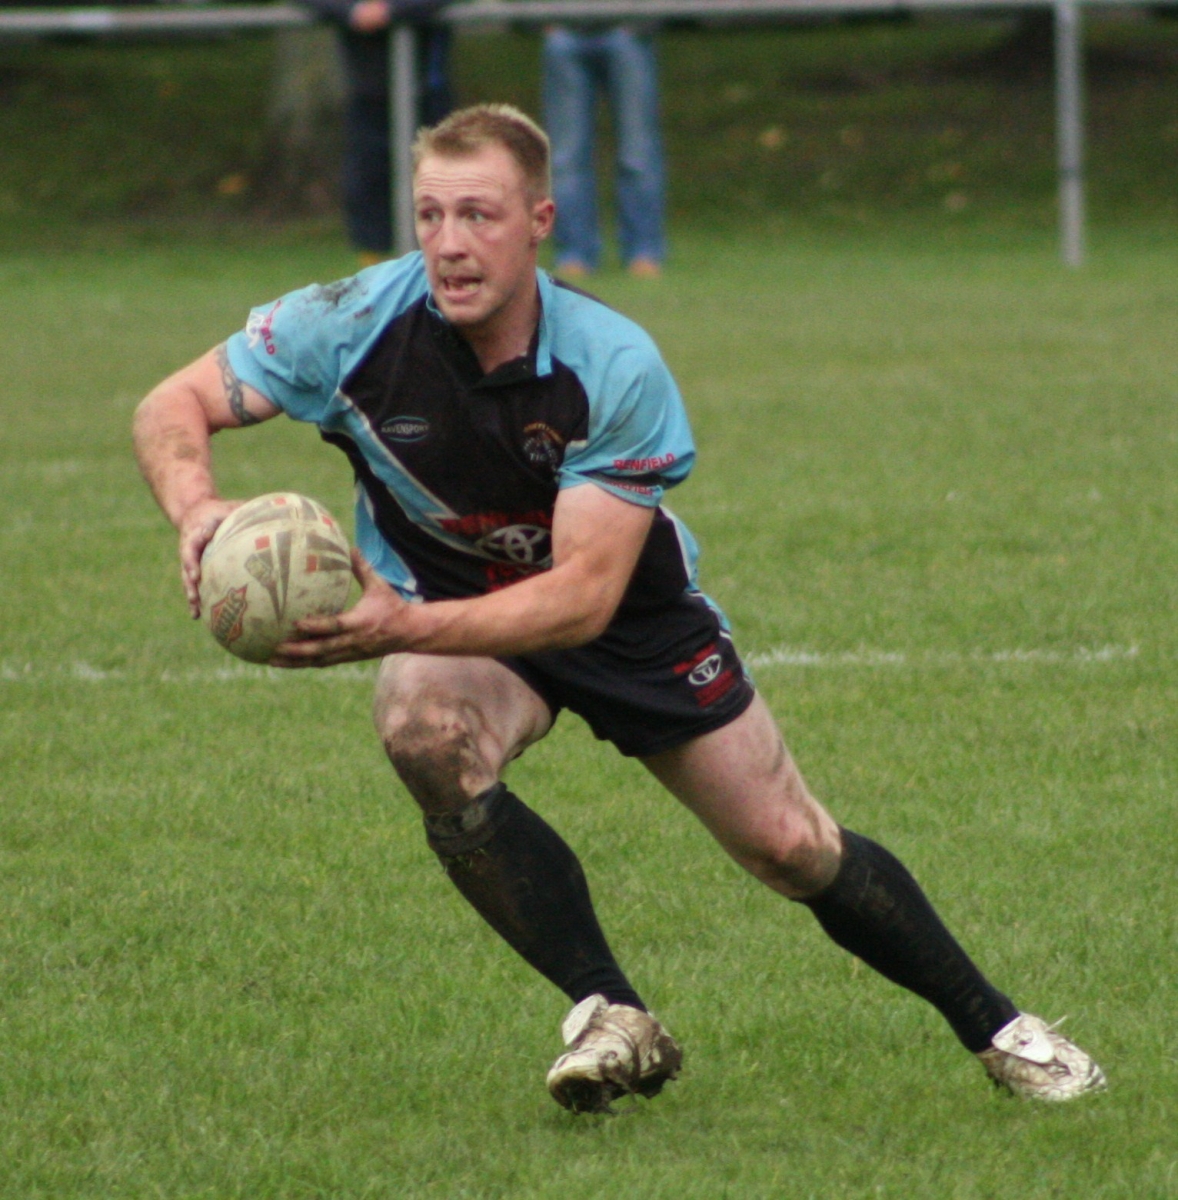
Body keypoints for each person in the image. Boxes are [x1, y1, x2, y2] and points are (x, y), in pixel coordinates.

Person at [134, 103, 1106, 1114]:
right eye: (429, 215)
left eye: (478, 215)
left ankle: (1001, 1028)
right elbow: (173, 403)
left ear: (538, 221)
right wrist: (196, 506)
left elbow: (581, 599)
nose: (449, 244)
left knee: (790, 846)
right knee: (424, 730)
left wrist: (401, 626)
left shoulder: (609, 363)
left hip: (625, 618)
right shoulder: (348, 323)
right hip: (461, 612)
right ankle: (610, 1011)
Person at [305, 0, 454, 263]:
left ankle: (440, 263)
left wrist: (391, 10)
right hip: (368, 92)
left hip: (426, 90)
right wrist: (352, 11)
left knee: (438, 178)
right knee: (368, 180)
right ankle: (376, 272)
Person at [542, 24, 665, 278]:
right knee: (566, 157)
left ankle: (644, 252)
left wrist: (642, 19)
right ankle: (574, 254)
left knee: (637, 153)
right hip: (565, 31)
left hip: (628, 31)